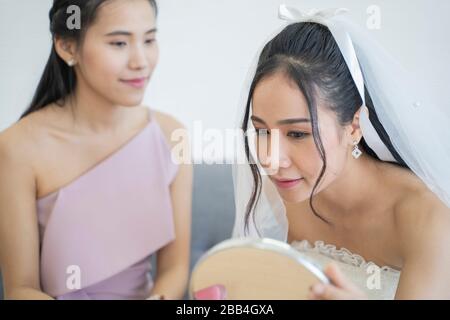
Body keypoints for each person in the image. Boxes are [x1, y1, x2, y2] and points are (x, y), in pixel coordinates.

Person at [233, 5, 450, 299]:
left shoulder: (428, 219)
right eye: (261, 131)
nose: (271, 160)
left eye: (297, 134)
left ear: (354, 125)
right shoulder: (281, 193)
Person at [0, 0, 192, 300]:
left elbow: (175, 270)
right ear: (67, 47)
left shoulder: (172, 136)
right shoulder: (18, 148)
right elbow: (20, 289)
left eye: (150, 39)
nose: (141, 60)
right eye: (118, 43)